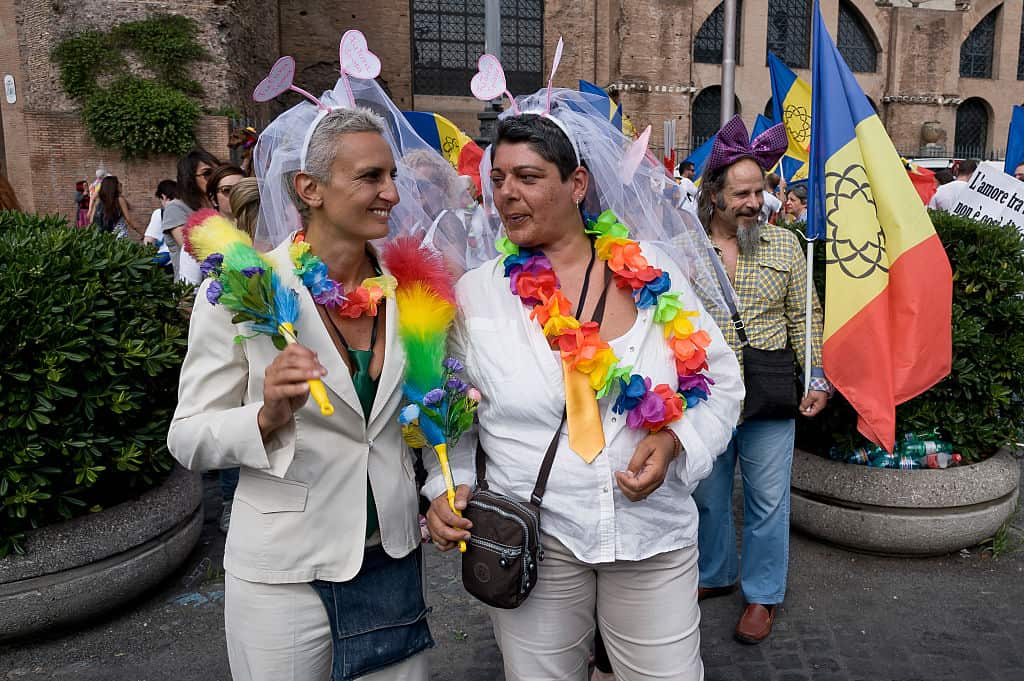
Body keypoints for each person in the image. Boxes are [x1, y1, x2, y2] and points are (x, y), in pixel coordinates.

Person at [426, 87, 743, 681]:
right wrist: (447, 487)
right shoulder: (477, 294)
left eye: (527, 176)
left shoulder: (653, 269)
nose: (506, 194)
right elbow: (455, 416)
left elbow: (721, 383)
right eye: (497, 179)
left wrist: (676, 440)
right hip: (536, 541)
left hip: (652, 538)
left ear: (576, 184)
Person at [167, 56, 458, 678]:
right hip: (283, 574)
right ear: (310, 188)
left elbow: (430, 420)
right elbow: (188, 435)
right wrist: (267, 414)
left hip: (392, 558)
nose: (392, 192)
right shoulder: (244, 287)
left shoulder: (415, 295)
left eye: (392, 175)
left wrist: (439, 490)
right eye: (370, 177)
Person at [691, 115, 831, 645]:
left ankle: (763, 594)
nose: (754, 202)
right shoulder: (688, 250)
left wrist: (817, 378)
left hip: (768, 395)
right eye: (742, 193)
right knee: (707, 493)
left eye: (761, 191)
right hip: (703, 396)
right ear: (715, 195)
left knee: (768, 500)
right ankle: (715, 572)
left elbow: (805, 317)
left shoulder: (784, 246)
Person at [162, 148, 220, 283]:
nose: (215, 178)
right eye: (207, 173)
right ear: (189, 178)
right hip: (193, 290)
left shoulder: (219, 207)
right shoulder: (176, 208)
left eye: (218, 172)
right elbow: (194, 251)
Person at [144, 180, 177, 270]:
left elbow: (149, 242)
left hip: (167, 264)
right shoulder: (187, 211)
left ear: (163, 197)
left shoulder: (160, 213)